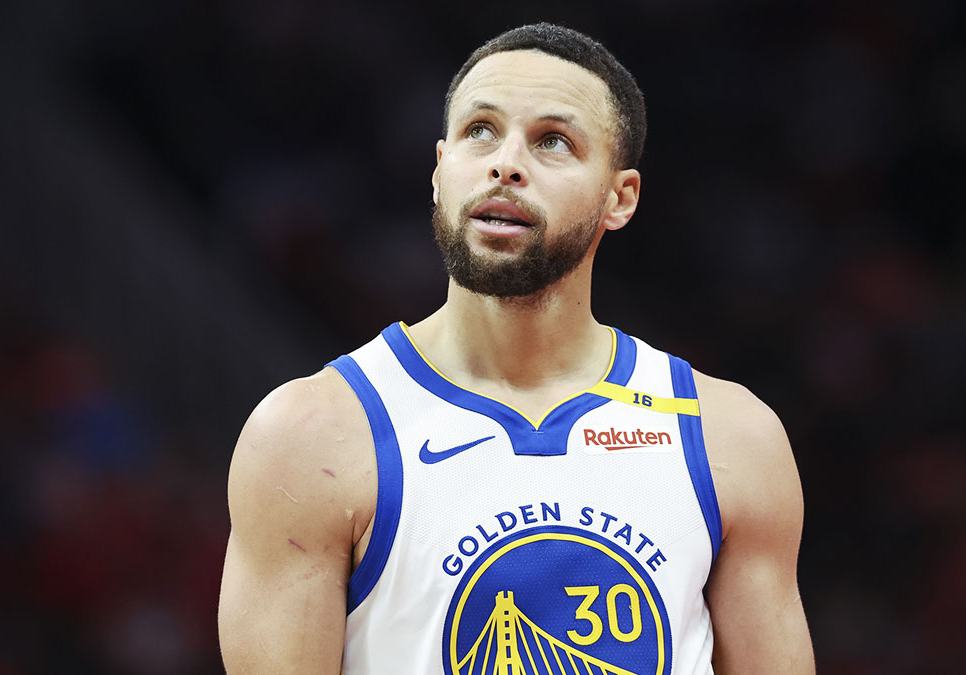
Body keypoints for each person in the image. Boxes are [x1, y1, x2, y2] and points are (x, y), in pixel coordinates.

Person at [218, 22, 813, 674]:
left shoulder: (732, 438)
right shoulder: (310, 437)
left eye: (552, 142)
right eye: (480, 131)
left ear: (621, 197)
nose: (505, 163)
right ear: (441, 172)